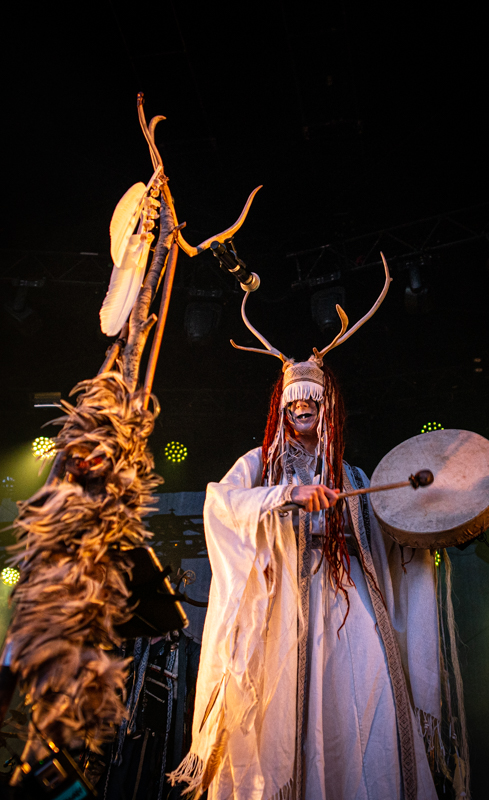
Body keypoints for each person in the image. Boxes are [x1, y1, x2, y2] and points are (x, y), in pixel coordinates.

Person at [170, 262, 462, 800]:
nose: (302, 408)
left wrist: (438, 525)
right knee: (281, 722)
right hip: (282, 612)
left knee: (370, 706)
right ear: (282, 409)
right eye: (293, 403)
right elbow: (222, 505)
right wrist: (286, 494)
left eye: (312, 401)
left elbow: (393, 539)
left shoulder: (352, 476)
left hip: (351, 606)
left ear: (328, 408)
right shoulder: (260, 464)